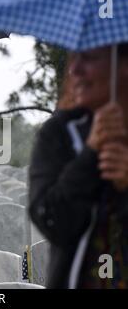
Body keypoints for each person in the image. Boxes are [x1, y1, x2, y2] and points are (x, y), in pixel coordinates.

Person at [29, 44, 128, 289]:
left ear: (124, 66)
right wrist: (90, 155)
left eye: (90, 58)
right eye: (74, 58)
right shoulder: (59, 134)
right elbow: (53, 221)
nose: (75, 69)